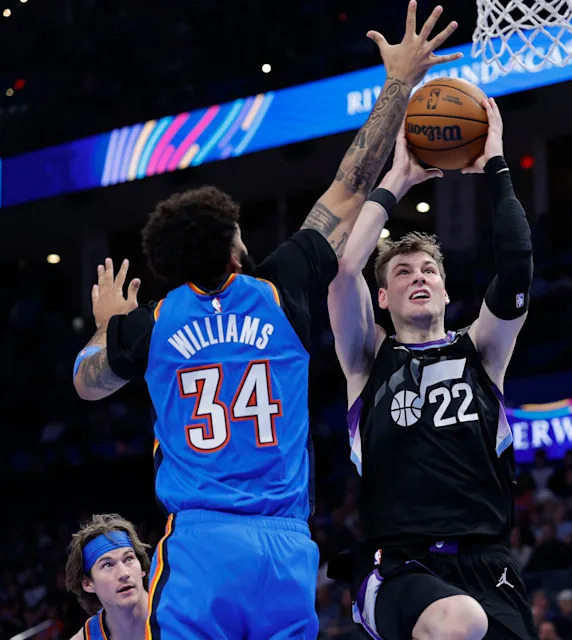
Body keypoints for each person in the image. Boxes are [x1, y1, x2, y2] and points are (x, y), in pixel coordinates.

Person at [70, 3, 462, 638]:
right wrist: (398, 81)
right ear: (234, 249)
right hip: (284, 547)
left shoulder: (152, 323)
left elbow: (87, 382)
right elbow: (351, 184)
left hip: (201, 545)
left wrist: (107, 326)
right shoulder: (281, 289)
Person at [326, 95, 536, 639]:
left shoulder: (483, 350)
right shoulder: (366, 359)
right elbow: (344, 268)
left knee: (467, 617)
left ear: (444, 288)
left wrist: (495, 164)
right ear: (382, 297)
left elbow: (517, 266)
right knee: (458, 621)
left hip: (489, 564)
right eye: (402, 272)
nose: (418, 276)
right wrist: (397, 180)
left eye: (428, 270)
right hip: (399, 566)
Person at [65, 514, 151, 640]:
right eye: (108, 565)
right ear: (88, 584)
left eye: (128, 559)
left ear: (142, 567)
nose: (124, 573)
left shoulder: (177, 611)